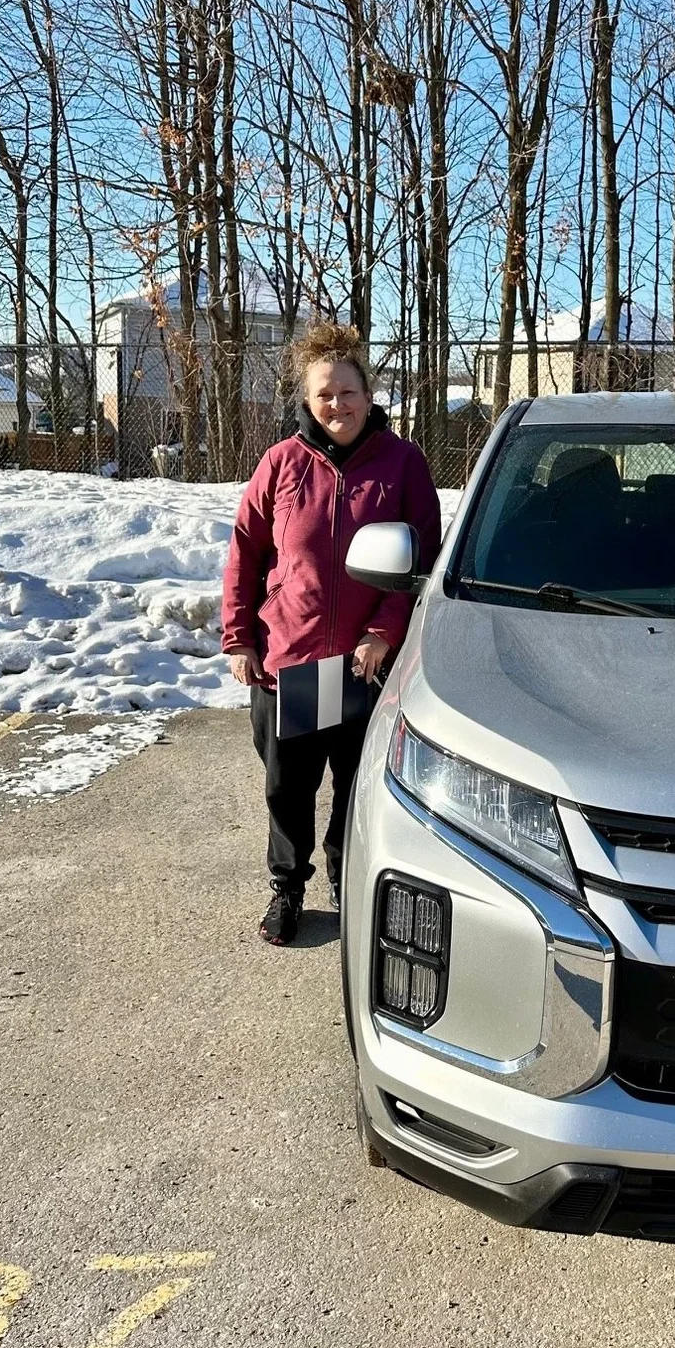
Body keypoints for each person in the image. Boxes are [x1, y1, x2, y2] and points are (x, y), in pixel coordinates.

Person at [221, 321, 442, 945]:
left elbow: (422, 556)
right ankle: (287, 887)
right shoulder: (281, 463)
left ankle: (350, 878)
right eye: (324, 394)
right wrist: (239, 636)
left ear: (368, 396)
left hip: (365, 666)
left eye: (348, 392)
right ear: (307, 399)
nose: (337, 405)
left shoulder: (402, 464)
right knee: (288, 788)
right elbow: (245, 552)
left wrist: (383, 631)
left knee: (358, 783)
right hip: (293, 661)